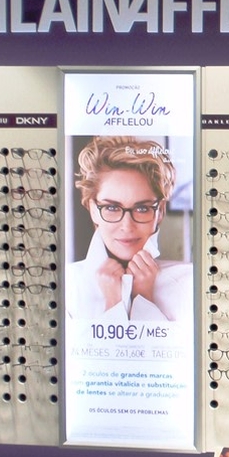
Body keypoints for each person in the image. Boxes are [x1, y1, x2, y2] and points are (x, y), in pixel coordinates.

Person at [66, 136, 192, 321]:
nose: (127, 226)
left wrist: (144, 298)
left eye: (142, 209)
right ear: (92, 209)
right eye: (112, 208)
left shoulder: (188, 282)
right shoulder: (66, 284)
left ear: (160, 211)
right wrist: (113, 303)